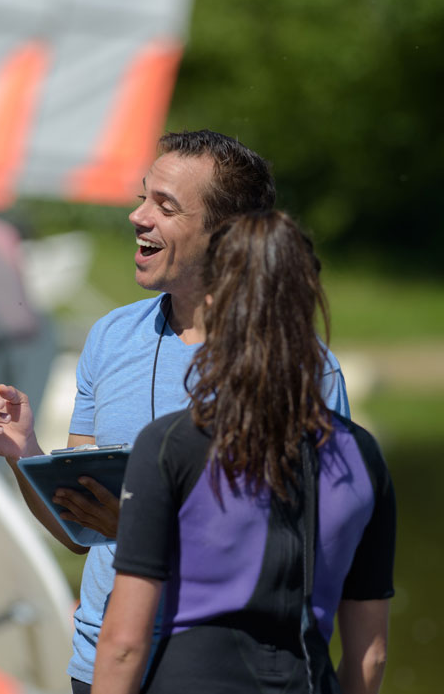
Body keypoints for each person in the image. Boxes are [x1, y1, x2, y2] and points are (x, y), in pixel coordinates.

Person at [0, 130, 351, 693]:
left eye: (166, 206)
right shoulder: (110, 337)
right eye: (142, 198)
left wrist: (146, 538)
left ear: (227, 234)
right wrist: (24, 454)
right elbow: (82, 533)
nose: (138, 217)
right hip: (104, 661)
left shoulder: (303, 370)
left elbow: (310, 556)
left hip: (230, 670)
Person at [93, 210, 395, 694]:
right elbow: (370, 655)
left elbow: (124, 645)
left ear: (213, 304)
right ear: (308, 305)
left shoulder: (171, 446)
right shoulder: (361, 457)